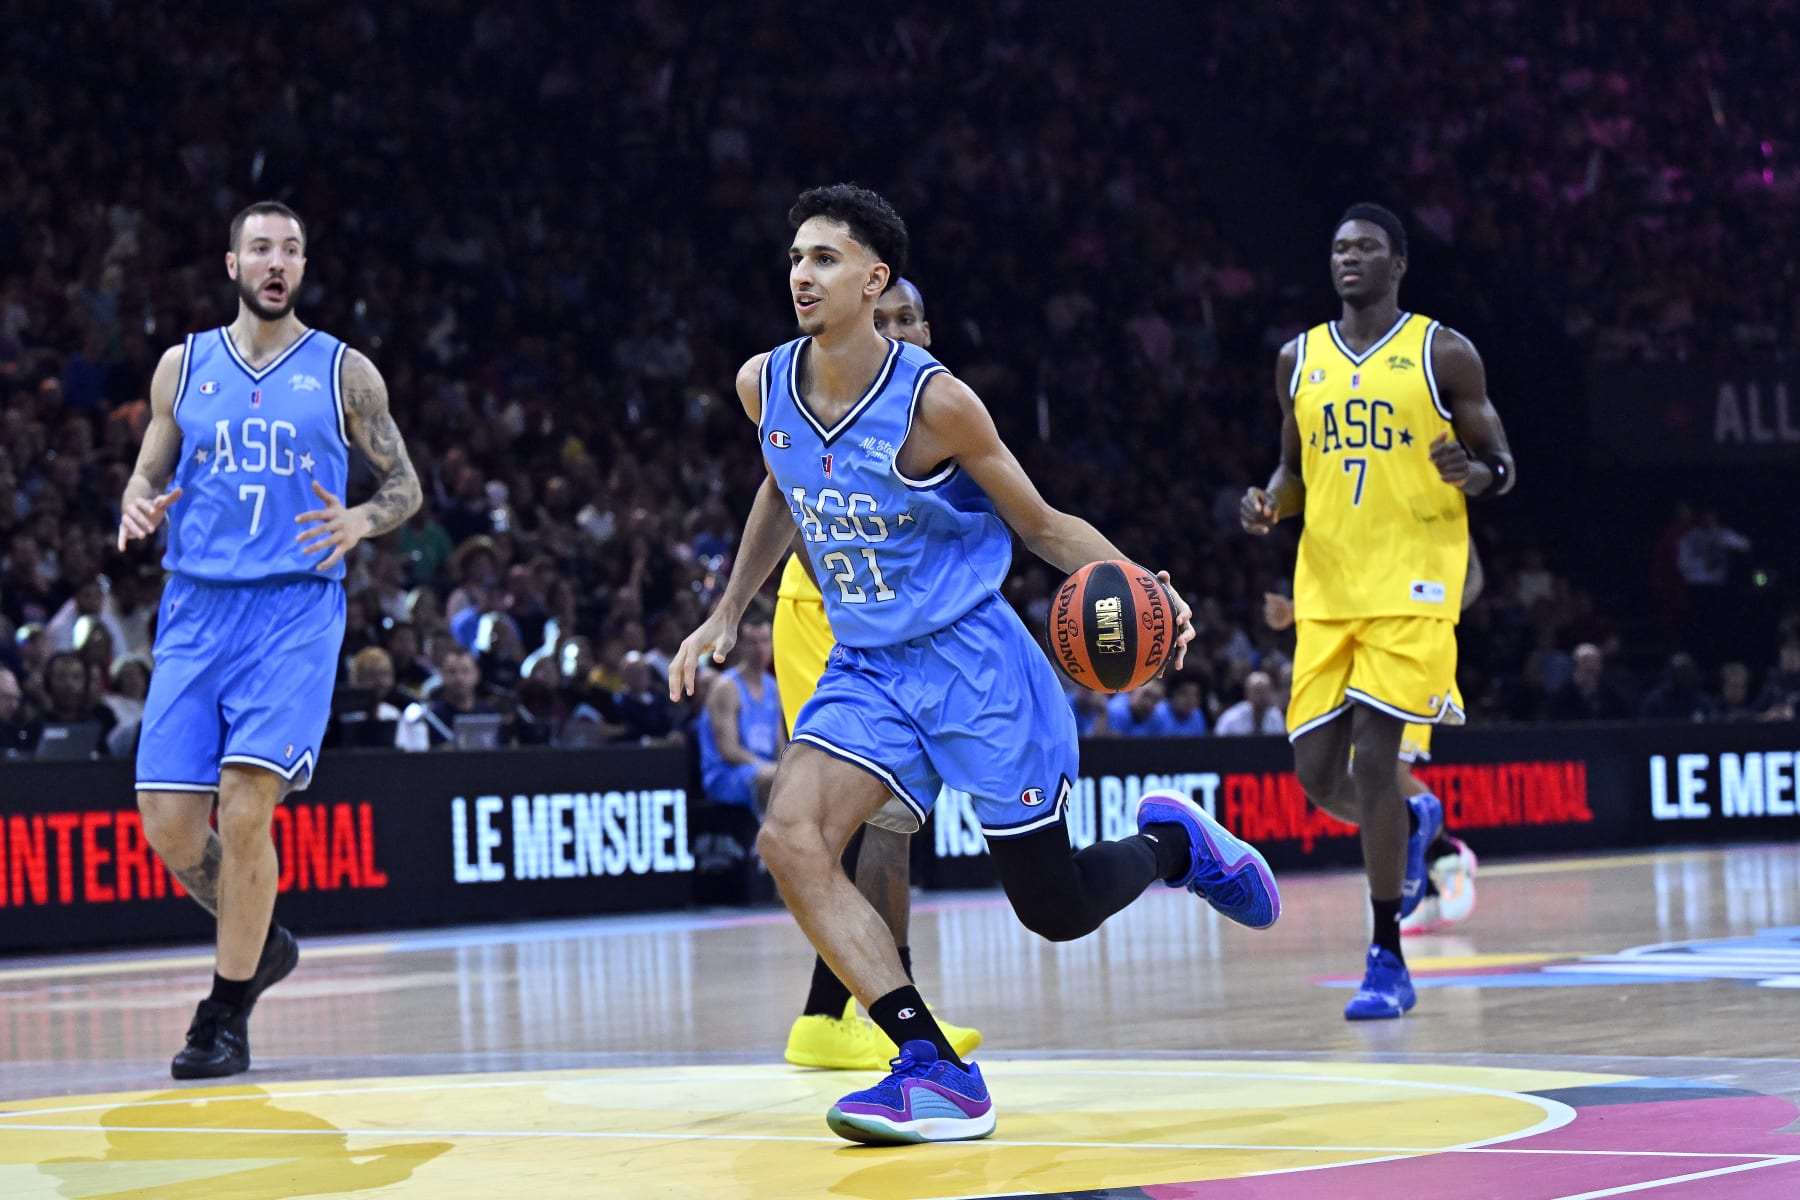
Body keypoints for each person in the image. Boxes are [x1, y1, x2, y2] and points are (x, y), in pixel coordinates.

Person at [672, 184, 1280, 1145]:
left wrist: (1148, 590)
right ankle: (931, 1065)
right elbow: (782, 488)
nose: (801, 274)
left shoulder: (937, 403)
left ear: (876, 281)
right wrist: (724, 610)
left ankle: (1177, 847)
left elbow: (1040, 524)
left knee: (1055, 909)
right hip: (868, 665)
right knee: (792, 839)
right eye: (796, 257)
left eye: (825, 259)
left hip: (973, 666)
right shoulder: (763, 384)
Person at [118, 201, 423, 1078]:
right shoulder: (184, 366)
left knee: (248, 809)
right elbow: (152, 460)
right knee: (170, 827)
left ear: (301, 266)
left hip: (292, 610)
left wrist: (362, 518)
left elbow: (403, 485)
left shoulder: (344, 372)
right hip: (194, 607)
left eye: (290, 248)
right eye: (261, 248)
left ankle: (225, 1009)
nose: (276, 261)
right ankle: (263, 943)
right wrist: (139, 496)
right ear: (233, 264)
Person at [1241, 203, 1514, 1020]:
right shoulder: (1299, 357)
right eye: (1337, 249)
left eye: (1364, 248)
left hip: (1414, 587)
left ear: (1398, 262)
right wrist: (1268, 505)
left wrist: (1477, 473)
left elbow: (1500, 463)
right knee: (1317, 776)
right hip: (1327, 589)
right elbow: (1294, 472)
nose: (1347, 258)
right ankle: (1416, 821)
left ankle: (1386, 958)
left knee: (1370, 756)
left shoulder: (1443, 351)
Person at [775, 278, 982, 1070]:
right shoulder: (824, 392)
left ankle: (840, 1016)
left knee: (893, 822)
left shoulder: (939, 408)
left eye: (905, 320)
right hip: (828, 615)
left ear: (928, 330)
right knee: (850, 816)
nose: (890, 331)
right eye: (880, 317)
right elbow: (795, 507)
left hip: (899, 624)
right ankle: (885, 1017)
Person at [1263, 541, 1484, 935]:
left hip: (1409, 644)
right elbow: (1355, 590)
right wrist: (1295, 613)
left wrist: (1435, 607)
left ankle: (1442, 848)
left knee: (1389, 769)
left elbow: (1471, 575)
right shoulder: (1355, 510)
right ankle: (1431, 864)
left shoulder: (1429, 502)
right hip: (1353, 653)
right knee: (1348, 777)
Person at [697, 616, 785, 813]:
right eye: (753, 643)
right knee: (770, 778)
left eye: (764, 641)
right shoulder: (726, 687)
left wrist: (787, 767)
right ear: (740, 646)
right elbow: (729, 751)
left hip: (764, 768)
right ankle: (762, 841)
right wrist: (772, 769)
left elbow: (779, 745)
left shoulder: (773, 687)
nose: (760, 649)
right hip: (726, 775)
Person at [1213, 671, 1285, 736]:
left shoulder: (1276, 717)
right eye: (1258, 691)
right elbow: (1218, 745)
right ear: (1247, 694)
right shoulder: (1231, 719)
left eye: (1265, 691)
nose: (1262, 696)